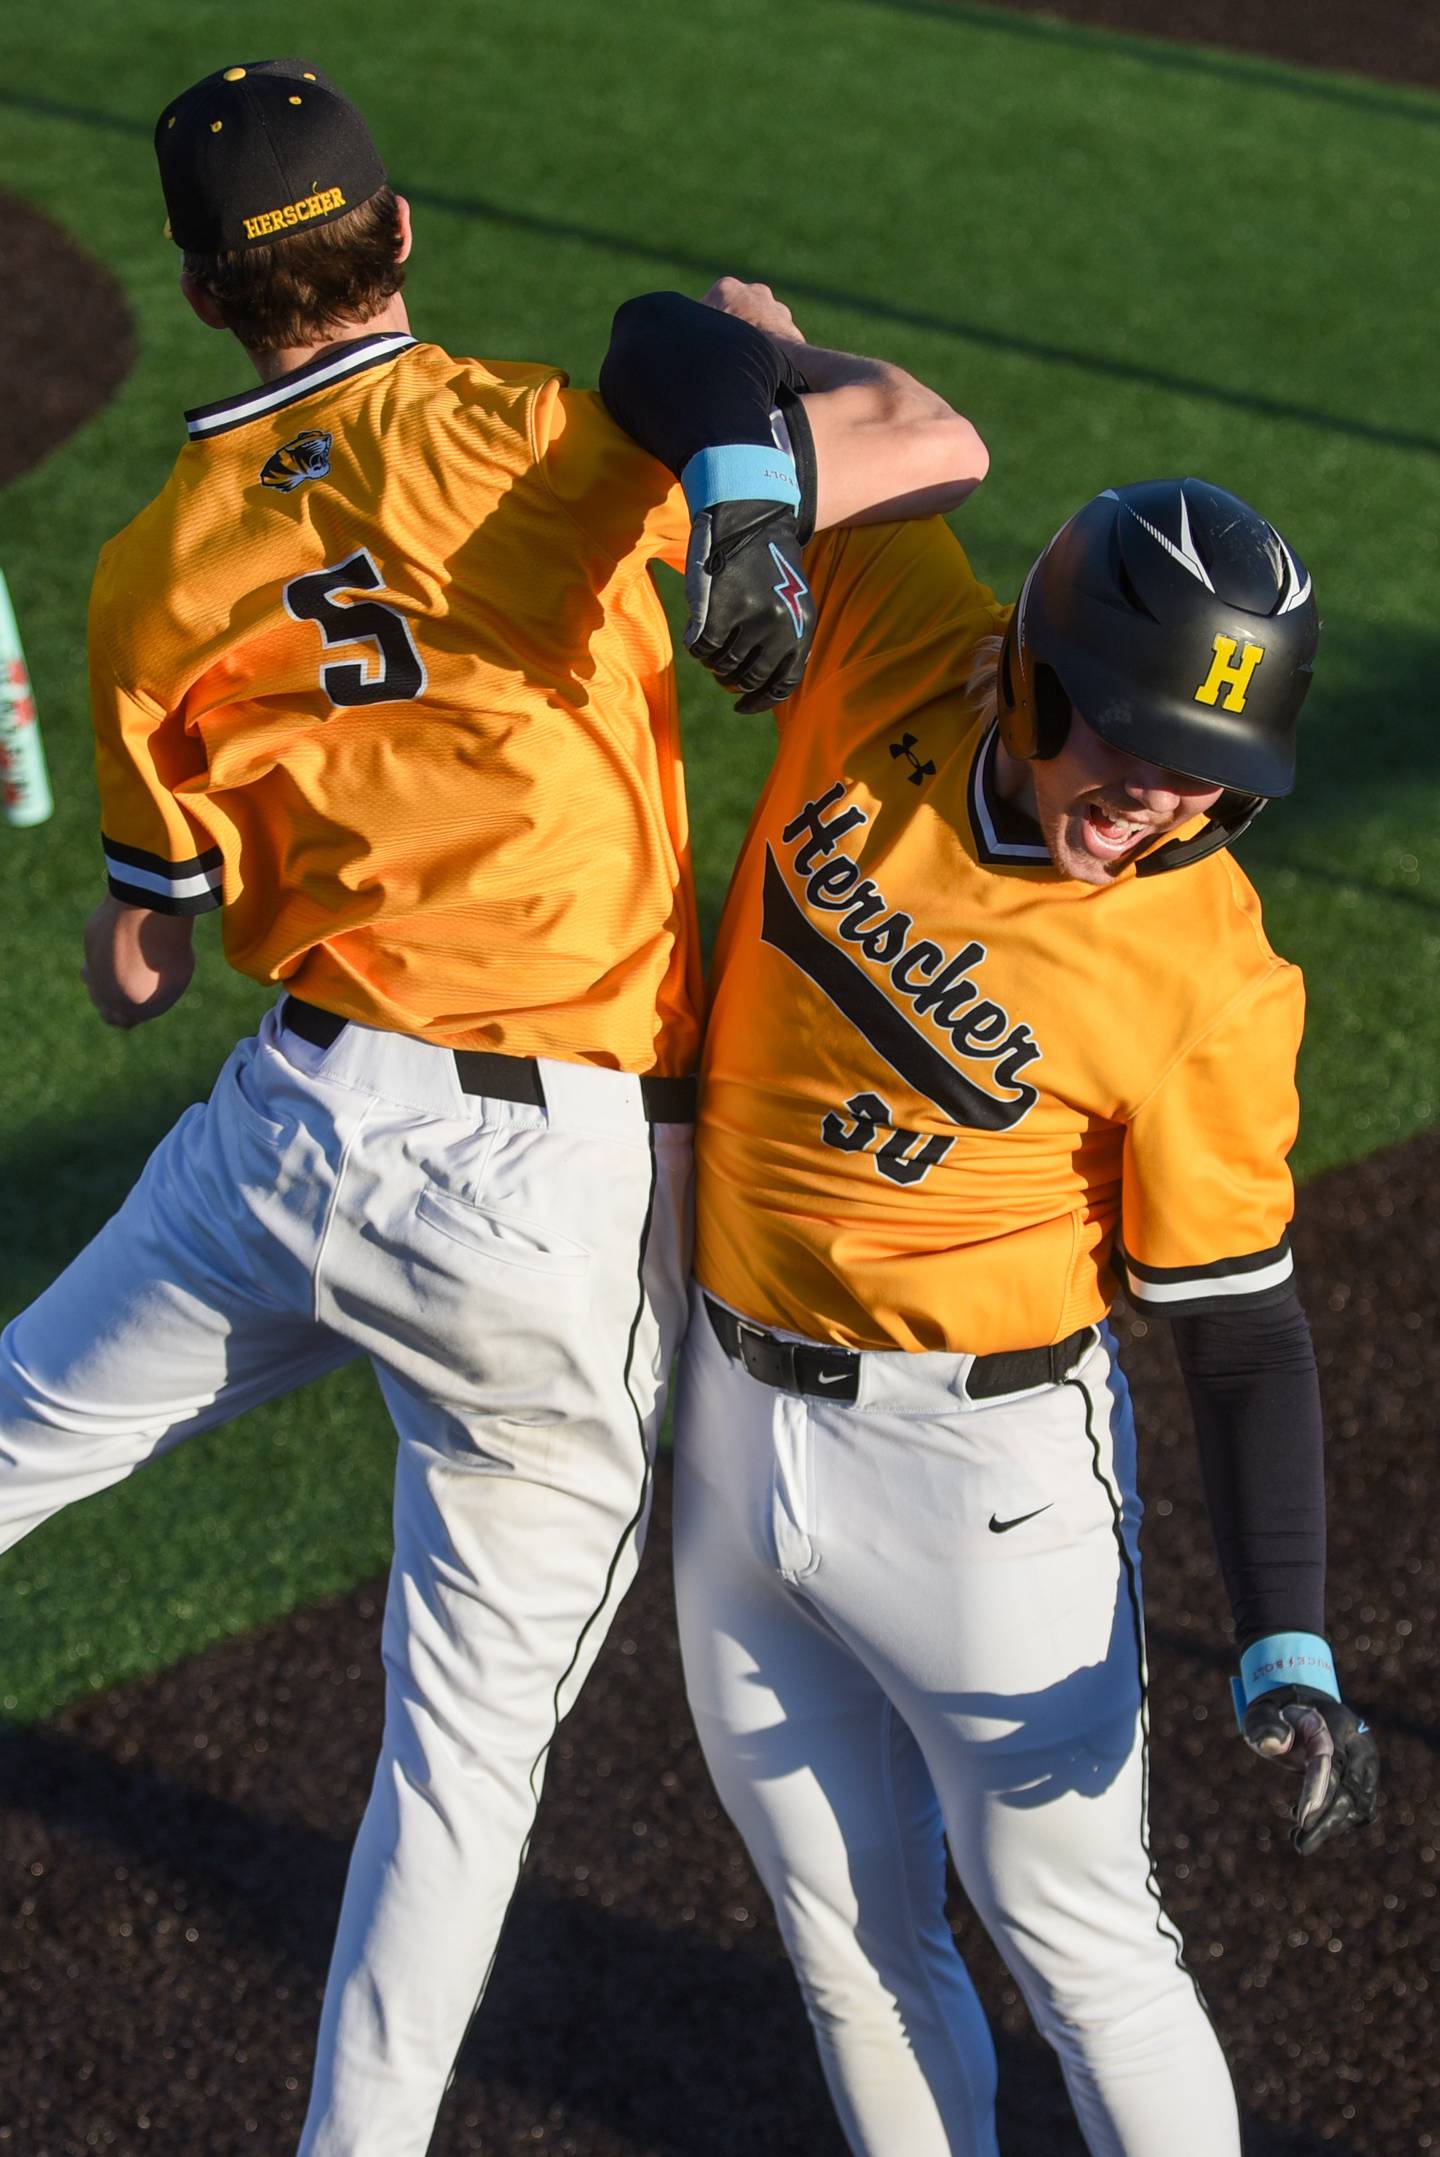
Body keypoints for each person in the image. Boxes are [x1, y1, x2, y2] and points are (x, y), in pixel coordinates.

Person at [0, 67, 985, 2157]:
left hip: (283, 1140)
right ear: (405, 228)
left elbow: (145, 942)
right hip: (541, 1185)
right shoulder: (555, 434)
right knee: (452, 1766)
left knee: (9, 1433)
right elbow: (934, 439)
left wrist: (141, 935)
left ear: (197, 291)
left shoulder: (149, 564)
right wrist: (755, 382)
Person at [603, 283, 1380, 2156]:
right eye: (1129, 737)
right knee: (849, 1939)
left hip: (988, 1487)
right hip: (731, 1417)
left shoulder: (1205, 972)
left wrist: (1288, 1635)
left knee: (1083, 1941)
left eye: (1209, 769)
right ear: (1033, 669)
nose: (1164, 794)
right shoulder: (892, 622)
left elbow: (1242, 1327)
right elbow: (660, 336)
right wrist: (754, 416)